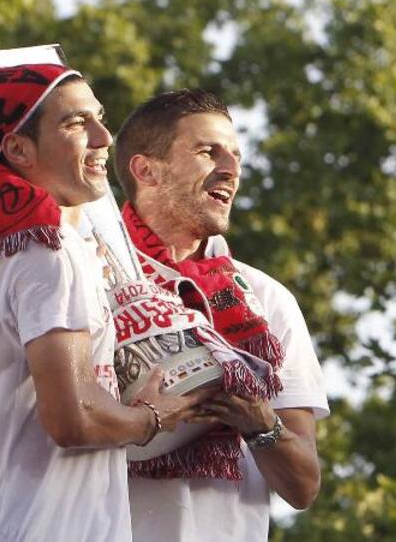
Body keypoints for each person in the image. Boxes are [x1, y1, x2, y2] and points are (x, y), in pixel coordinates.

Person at [0, 64, 210, 542]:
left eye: (99, 117)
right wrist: (155, 416)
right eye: (76, 123)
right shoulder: (48, 252)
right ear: (18, 148)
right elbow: (73, 418)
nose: (104, 137)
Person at [115, 88, 330, 541]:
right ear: (146, 169)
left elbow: (304, 485)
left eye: (234, 154)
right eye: (207, 152)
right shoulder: (88, 278)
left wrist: (259, 421)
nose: (230, 169)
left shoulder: (268, 299)